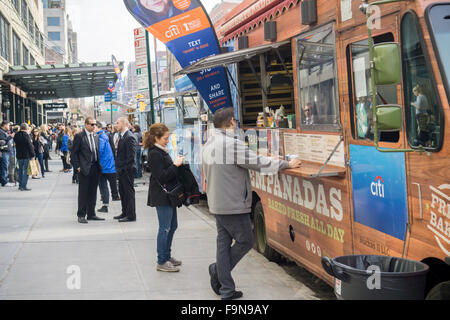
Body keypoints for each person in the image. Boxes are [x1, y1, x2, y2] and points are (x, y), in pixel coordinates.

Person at [202, 107, 302, 300]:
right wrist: (285, 164)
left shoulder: (211, 142)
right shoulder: (230, 144)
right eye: (236, 122)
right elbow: (257, 163)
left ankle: (226, 288)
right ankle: (218, 272)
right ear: (231, 122)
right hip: (232, 204)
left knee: (223, 243)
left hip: (217, 202)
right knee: (246, 240)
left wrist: (274, 159)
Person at [146, 123, 185, 272]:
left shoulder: (160, 150)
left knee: (172, 226)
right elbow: (162, 176)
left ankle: (167, 256)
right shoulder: (155, 153)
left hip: (168, 195)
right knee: (165, 228)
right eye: (165, 138)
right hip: (162, 195)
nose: (167, 141)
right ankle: (162, 261)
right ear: (156, 138)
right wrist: (175, 165)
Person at [71, 117, 105, 224]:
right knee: (83, 193)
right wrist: (77, 167)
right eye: (92, 124)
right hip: (84, 168)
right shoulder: (79, 136)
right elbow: (74, 153)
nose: (94, 126)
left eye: (95, 124)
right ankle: (81, 215)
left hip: (95, 167)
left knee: (93, 192)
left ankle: (91, 214)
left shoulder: (96, 136)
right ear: (86, 125)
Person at [113, 118, 138, 222]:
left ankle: (131, 215)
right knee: (123, 192)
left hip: (127, 170)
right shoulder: (122, 136)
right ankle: (125, 212)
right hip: (122, 170)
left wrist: (123, 168)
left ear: (124, 123)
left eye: (117, 123)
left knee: (128, 193)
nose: (115, 125)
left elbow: (131, 157)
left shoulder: (129, 137)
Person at [96, 122, 120, 213]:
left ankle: (105, 205)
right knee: (109, 184)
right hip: (109, 165)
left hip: (103, 165)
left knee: (103, 186)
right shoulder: (105, 135)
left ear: (98, 127)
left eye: (94, 126)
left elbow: (100, 151)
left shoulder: (100, 137)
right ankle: (114, 196)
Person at [13, 123, 35, 191]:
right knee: (26, 171)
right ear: (26, 128)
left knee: (20, 171)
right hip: (26, 155)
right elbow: (30, 146)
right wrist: (33, 155)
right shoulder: (26, 135)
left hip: (19, 155)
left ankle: (20, 186)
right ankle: (23, 186)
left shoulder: (16, 135)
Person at [0, 121, 14, 187]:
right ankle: (4, 182)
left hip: (6, 151)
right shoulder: (1, 132)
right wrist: (10, 137)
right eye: (8, 125)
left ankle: (3, 181)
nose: (9, 127)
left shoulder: (4, 132)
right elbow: (3, 141)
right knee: (4, 167)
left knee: (5, 166)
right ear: (4, 125)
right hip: (4, 152)